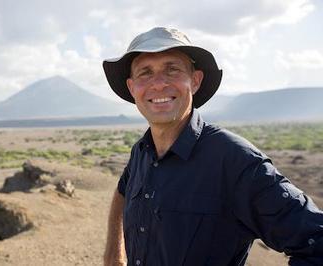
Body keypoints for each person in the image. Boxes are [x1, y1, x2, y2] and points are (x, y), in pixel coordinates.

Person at [101, 27, 323, 266]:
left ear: (195, 81)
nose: (158, 84)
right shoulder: (142, 151)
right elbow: (123, 190)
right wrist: (114, 253)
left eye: (172, 69)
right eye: (145, 72)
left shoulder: (235, 160)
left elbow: (317, 242)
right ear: (132, 87)